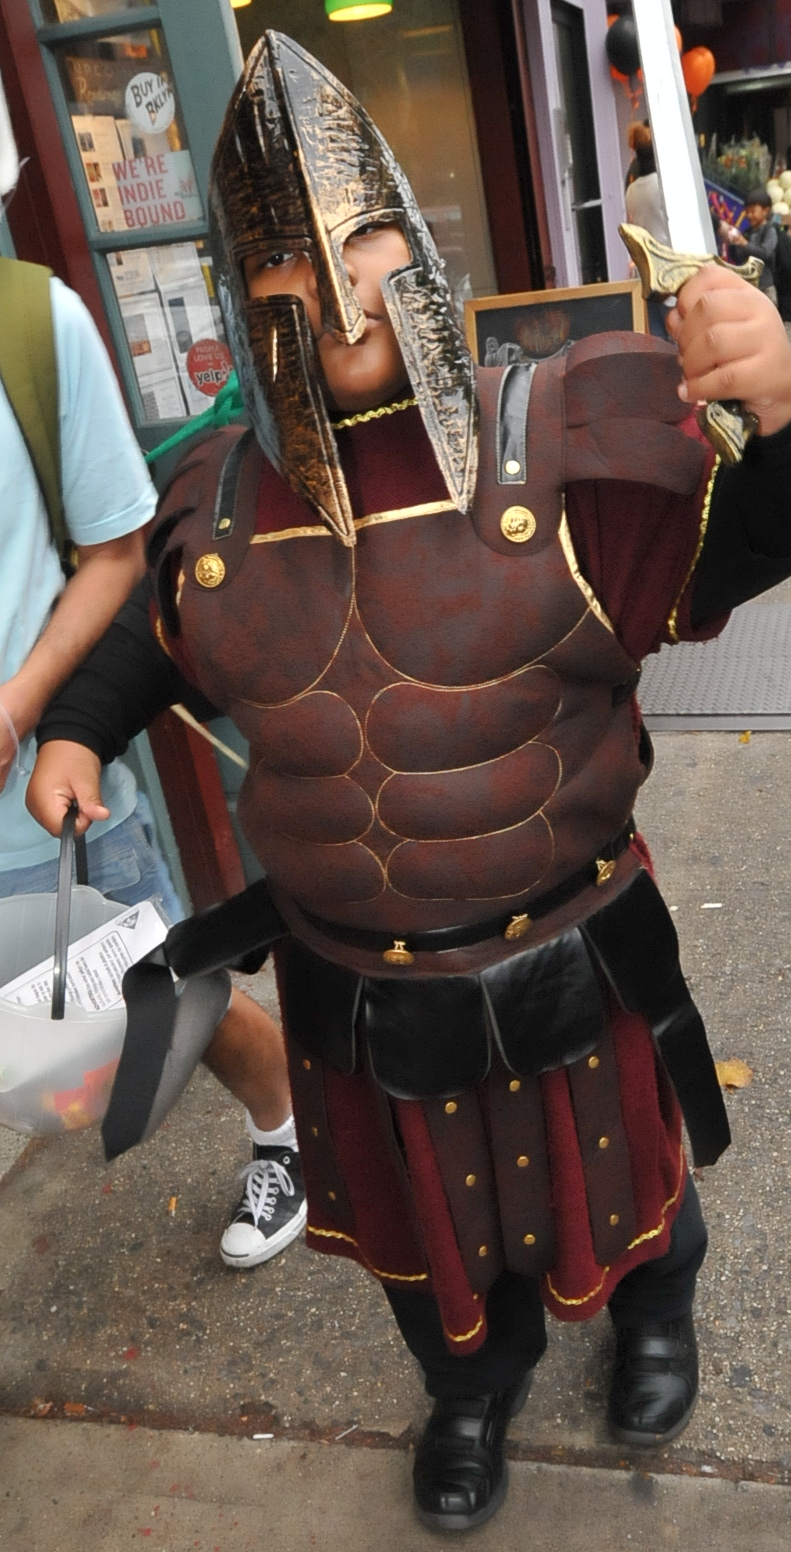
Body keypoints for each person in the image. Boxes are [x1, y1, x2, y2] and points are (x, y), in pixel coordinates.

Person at [27, 34, 791, 1534]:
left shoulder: (563, 440)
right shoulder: (220, 498)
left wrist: (787, 410)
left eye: (355, 240)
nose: (333, 291)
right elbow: (162, 631)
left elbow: (774, 531)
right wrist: (80, 729)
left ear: (408, 242)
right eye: (283, 262)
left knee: (623, 1176)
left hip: (568, 940)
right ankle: (470, 1387)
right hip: (356, 975)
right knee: (429, 1222)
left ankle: (655, 1308)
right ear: (239, 289)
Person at [0, 244, 304, 1268]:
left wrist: (24, 714)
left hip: (37, 797)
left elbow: (123, 554)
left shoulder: (32, 326)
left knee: (164, 989)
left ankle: (288, 1125)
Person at [623, 123, 674, 338]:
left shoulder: (631, 191)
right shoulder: (663, 186)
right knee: (679, 333)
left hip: (647, 271)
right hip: (670, 268)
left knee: (657, 335)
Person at [721, 187, 780, 306]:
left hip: (765, 287)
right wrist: (733, 243)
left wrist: (745, 244)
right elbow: (738, 258)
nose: (749, 215)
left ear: (765, 211)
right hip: (748, 287)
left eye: (753, 211)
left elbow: (765, 253)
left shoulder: (769, 231)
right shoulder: (747, 232)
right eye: (747, 212)